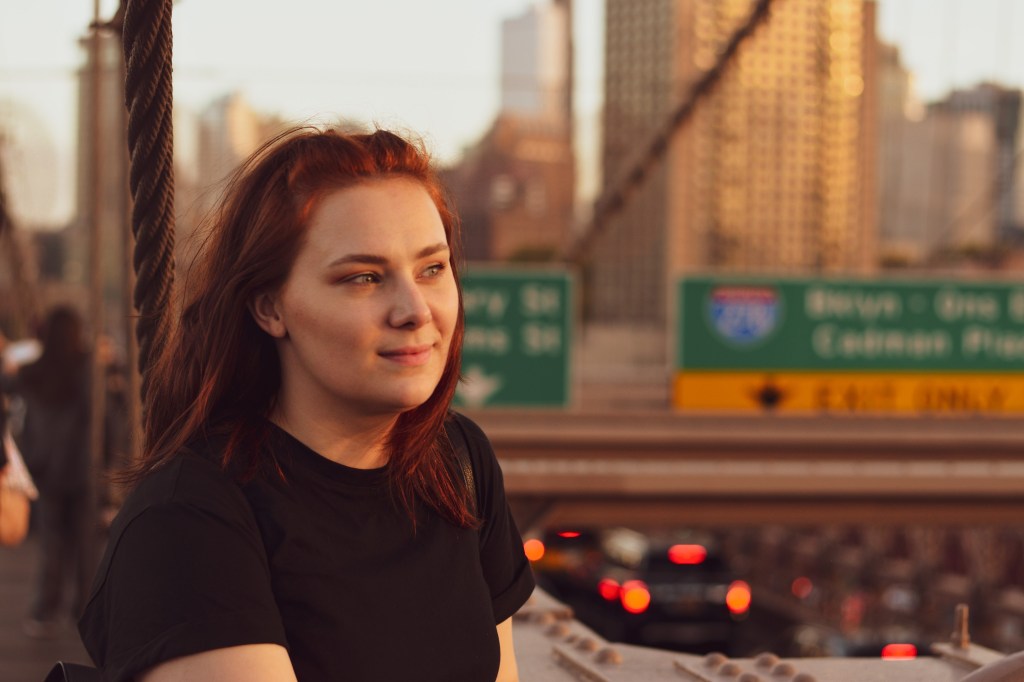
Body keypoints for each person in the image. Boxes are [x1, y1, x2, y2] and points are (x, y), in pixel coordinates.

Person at [78, 127, 535, 682]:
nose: (416, 310)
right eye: (364, 278)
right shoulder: (188, 523)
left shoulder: (459, 463)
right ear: (270, 308)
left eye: (432, 269)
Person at [15, 305, 95, 637]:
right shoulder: (88, 372)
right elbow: (102, 420)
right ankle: (85, 608)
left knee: (52, 544)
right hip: (83, 468)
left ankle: (47, 609)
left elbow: (26, 421)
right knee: (85, 544)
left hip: (45, 468)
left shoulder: (33, 373)